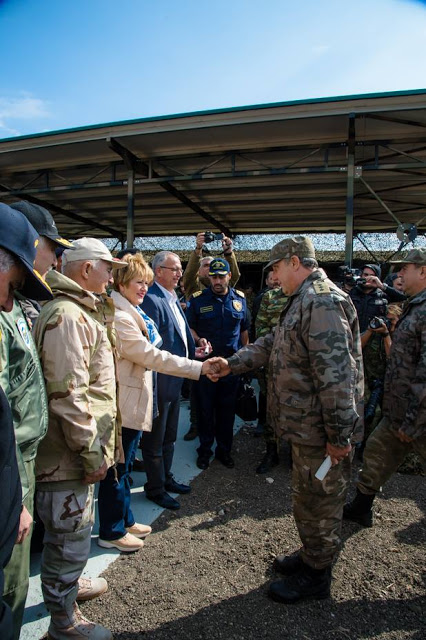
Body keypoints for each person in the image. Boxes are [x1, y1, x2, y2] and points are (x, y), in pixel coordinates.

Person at [209, 237, 363, 603]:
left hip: (321, 431)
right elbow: (270, 342)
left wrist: (340, 436)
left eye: (275, 269)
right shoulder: (303, 301)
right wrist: (231, 364)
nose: (273, 278)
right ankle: (312, 556)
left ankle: (317, 575)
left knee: (320, 502)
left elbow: (337, 377)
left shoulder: (322, 301)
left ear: (295, 262)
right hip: (306, 428)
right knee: (307, 498)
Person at [33, 238, 127, 640]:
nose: (111, 276)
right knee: (67, 540)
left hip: (74, 453)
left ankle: (67, 595)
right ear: (86, 270)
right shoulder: (68, 316)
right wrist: (92, 455)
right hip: (68, 458)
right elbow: (68, 396)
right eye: (107, 268)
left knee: (71, 535)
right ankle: (63, 622)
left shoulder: (79, 311)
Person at [97, 254, 217, 551]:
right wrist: (198, 368)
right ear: (122, 283)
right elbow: (152, 356)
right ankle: (111, 531)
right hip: (124, 405)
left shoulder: (131, 311)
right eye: (139, 282)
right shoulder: (122, 318)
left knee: (124, 467)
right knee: (117, 470)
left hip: (133, 400)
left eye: (146, 283)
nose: (144, 289)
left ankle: (124, 519)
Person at [0, 201, 73, 640]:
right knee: (8, 589)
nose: (14, 297)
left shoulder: (13, 307)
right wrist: (14, 502)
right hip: (8, 474)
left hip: (18, 468)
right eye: (12, 284)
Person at [344, 248, 426, 527]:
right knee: (376, 452)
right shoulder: (413, 304)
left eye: (405, 269)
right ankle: (361, 507)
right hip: (398, 412)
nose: (399, 274)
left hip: (418, 417)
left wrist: (413, 421)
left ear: (423, 271)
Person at [141, 251, 196, 510]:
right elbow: (153, 347)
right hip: (160, 383)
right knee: (155, 440)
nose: (178, 273)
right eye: (173, 269)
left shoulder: (172, 298)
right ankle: (155, 488)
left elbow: (179, 338)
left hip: (175, 381)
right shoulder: (151, 300)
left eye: (180, 269)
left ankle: (166, 478)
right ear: (158, 271)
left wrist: (196, 350)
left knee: (170, 436)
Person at [187, 257, 249, 470]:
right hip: (206, 366)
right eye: (213, 276)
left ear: (229, 276)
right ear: (209, 277)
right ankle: (204, 451)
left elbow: (244, 332)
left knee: (226, 411)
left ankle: (224, 450)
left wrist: (244, 361)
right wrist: (198, 340)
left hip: (231, 367)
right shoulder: (198, 300)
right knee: (205, 411)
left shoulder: (240, 300)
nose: (217, 281)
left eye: (221, 276)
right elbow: (191, 327)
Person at [254, 285, 288, 474]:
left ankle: (292, 451)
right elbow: (260, 327)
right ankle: (271, 452)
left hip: (297, 365)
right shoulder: (270, 297)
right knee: (270, 406)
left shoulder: (307, 296)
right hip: (273, 361)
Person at [182, 232, 240, 301]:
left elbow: (234, 275)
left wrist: (228, 252)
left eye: (211, 266)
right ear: (198, 270)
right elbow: (190, 274)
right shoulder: (193, 286)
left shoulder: (220, 284)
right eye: (206, 265)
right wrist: (198, 248)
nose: (209, 268)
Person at [349, 263, 404, 332]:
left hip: (374, 336)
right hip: (353, 334)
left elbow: (403, 298)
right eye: (365, 275)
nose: (368, 278)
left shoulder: (383, 295)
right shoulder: (352, 293)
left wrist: (382, 286)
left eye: (372, 276)